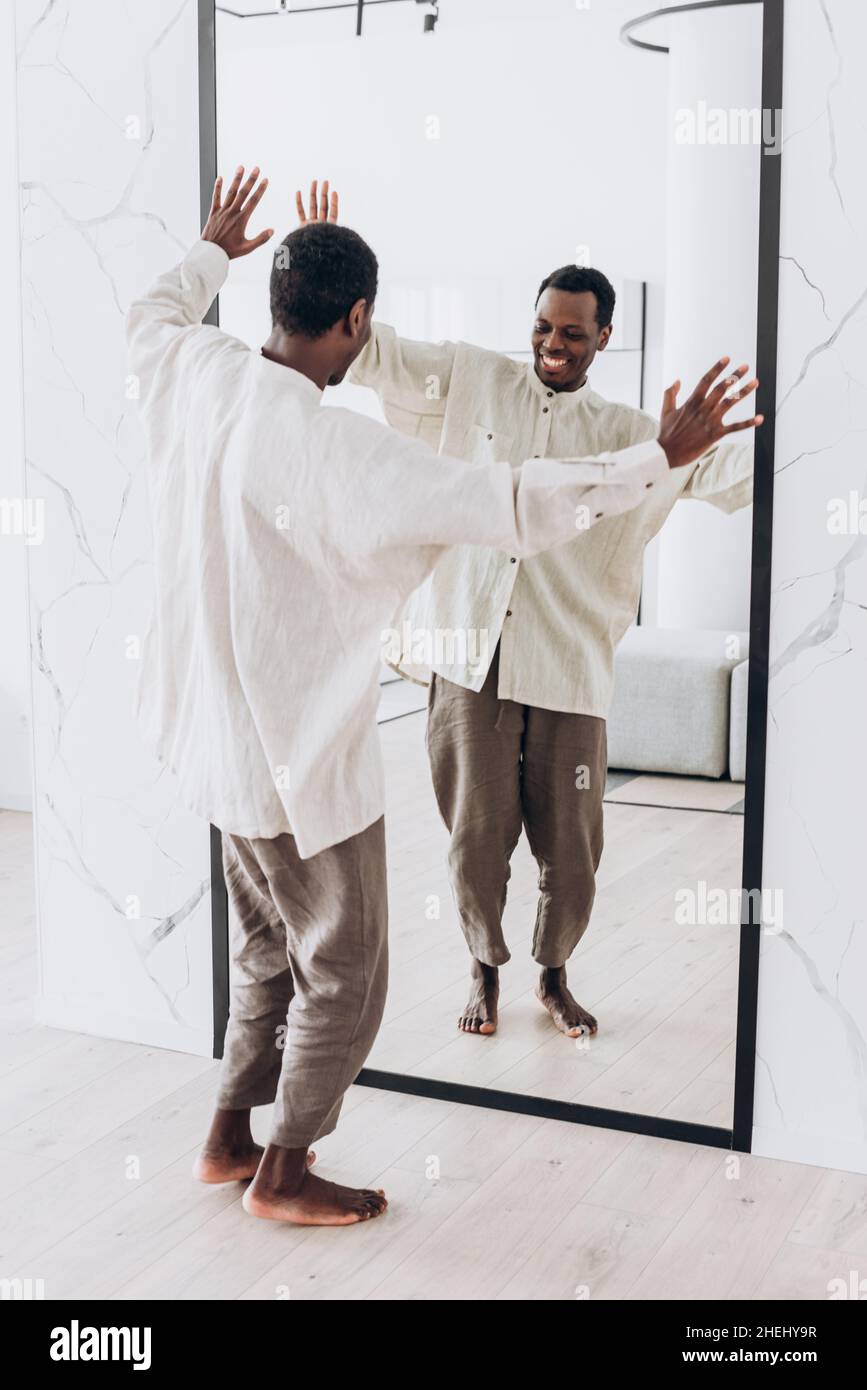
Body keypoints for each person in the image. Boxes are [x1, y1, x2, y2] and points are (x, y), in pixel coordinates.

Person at [126, 166, 760, 1227]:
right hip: (298, 762)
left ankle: (227, 1136)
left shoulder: (194, 364)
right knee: (350, 970)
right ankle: (284, 1171)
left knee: (267, 949)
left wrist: (209, 251)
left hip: (206, 745)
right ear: (358, 318)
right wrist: (662, 454)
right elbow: (512, 502)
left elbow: (153, 307)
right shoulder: (344, 450)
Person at [297, 180, 760, 1041]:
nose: (552, 344)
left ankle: (553, 974)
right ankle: (483, 969)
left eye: (572, 333)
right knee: (475, 844)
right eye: (544, 327)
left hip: (568, 670)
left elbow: (724, 474)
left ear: (603, 339)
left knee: (572, 857)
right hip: (467, 661)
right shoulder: (470, 378)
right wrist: (324, 255)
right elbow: (378, 351)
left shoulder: (630, 433)